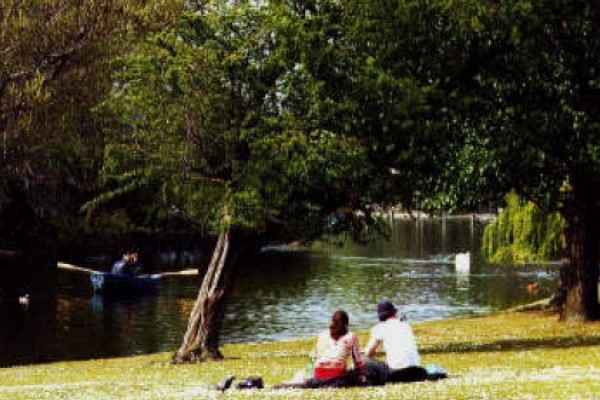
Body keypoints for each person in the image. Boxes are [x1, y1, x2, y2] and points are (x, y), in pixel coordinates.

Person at [363, 300, 426, 384]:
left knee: (363, 359)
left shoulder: (379, 328)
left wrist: (365, 352)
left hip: (397, 374)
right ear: (394, 313)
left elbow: (368, 353)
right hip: (418, 372)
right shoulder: (405, 324)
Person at [311, 310, 364, 381]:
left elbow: (314, 357)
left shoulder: (322, 334)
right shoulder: (351, 336)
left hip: (318, 373)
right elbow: (358, 362)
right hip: (337, 375)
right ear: (346, 325)